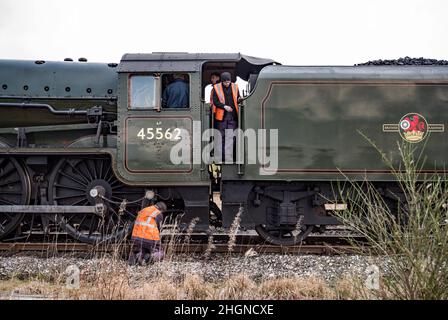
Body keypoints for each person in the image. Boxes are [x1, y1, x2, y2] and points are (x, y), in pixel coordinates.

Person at [212, 72, 241, 163]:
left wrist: (240, 99)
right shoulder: (216, 87)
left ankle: (228, 158)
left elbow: (238, 97)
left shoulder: (235, 87)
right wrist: (224, 106)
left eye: (228, 82)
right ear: (222, 81)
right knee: (221, 137)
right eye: (225, 82)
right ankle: (220, 158)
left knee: (230, 137)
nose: (227, 84)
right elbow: (215, 102)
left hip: (233, 116)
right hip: (221, 117)